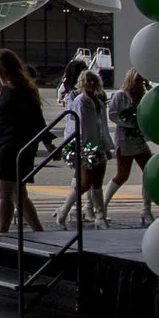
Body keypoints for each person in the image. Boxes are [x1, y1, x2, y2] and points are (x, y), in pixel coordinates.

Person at [0, 50, 47, 240]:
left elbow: (37, 119)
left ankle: (2, 232)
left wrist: (49, 143)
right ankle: (38, 230)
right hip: (5, 144)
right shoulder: (5, 88)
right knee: (18, 194)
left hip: (12, 146)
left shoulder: (19, 90)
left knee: (5, 192)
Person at [56, 70, 113, 229]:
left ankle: (100, 216)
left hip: (98, 146)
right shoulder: (80, 101)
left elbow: (103, 127)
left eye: (94, 81)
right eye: (88, 81)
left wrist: (107, 146)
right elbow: (77, 125)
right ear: (82, 83)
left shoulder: (99, 103)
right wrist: (80, 147)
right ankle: (64, 210)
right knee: (85, 183)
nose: (91, 84)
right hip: (85, 147)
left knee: (97, 183)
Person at [105, 70, 153, 226]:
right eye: (136, 81)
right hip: (124, 140)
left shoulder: (144, 96)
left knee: (149, 172)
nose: (138, 84)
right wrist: (129, 123)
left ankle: (146, 209)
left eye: (141, 81)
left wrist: (148, 86)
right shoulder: (121, 96)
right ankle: (102, 207)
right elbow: (112, 114)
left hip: (139, 140)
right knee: (122, 175)